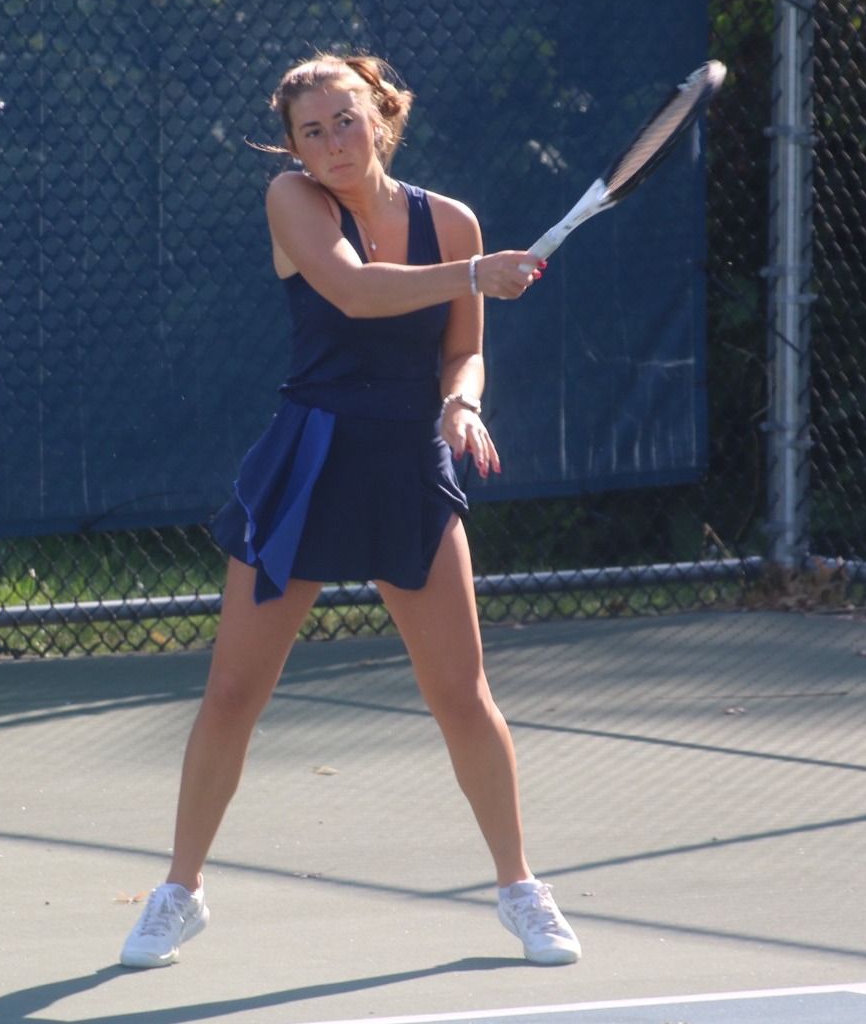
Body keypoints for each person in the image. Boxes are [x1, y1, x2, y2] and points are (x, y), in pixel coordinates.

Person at [118, 52, 580, 969]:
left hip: (406, 462)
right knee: (234, 694)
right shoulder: (294, 203)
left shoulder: (449, 221)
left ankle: (521, 888)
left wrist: (463, 403)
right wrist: (475, 272)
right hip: (309, 460)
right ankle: (181, 890)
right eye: (311, 130)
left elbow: (463, 351)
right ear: (292, 146)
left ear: (384, 116)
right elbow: (359, 293)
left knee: (461, 694)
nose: (332, 141)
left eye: (346, 119)